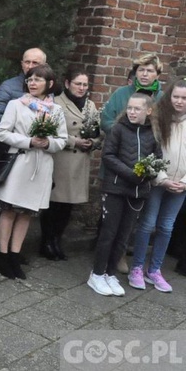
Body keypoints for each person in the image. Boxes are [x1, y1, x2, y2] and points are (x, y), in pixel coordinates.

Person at [0, 64, 67, 279]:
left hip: (42, 166)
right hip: (20, 163)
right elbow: (2, 132)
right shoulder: (16, 105)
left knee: (26, 212)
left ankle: (15, 255)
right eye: (30, 79)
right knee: (9, 210)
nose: (32, 83)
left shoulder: (56, 110)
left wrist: (47, 144)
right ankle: (2, 255)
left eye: (38, 79)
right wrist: (28, 141)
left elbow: (62, 140)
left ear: (50, 84)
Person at [87, 93, 160, 296]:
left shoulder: (153, 134)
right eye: (130, 108)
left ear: (149, 111)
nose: (132, 112)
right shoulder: (119, 129)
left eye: (137, 109)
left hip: (138, 192)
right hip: (116, 189)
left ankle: (110, 274)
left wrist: (149, 173)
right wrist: (131, 173)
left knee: (123, 236)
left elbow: (157, 159)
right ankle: (97, 273)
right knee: (109, 233)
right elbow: (108, 156)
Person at [0, 47, 46, 265]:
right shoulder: (9, 87)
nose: (30, 66)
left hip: (34, 156)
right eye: (27, 62)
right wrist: (22, 126)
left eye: (35, 63)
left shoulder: (48, 92)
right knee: (3, 204)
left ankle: (13, 250)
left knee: (24, 205)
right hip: (9, 153)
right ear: (21, 64)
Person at [128, 80, 186, 293]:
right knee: (147, 224)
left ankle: (154, 270)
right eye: (176, 96)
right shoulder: (160, 120)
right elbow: (151, 150)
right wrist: (161, 178)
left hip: (180, 186)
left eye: (184, 98)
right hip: (158, 181)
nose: (179, 101)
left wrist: (183, 182)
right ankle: (136, 267)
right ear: (170, 97)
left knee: (166, 226)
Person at [43, 68, 101, 260]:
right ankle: (47, 242)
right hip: (61, 159)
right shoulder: (56, 102)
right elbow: (50, 130)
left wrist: (93, 142)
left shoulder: (91, 106)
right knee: (54, 204)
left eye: (85, 84)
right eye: (78, 83)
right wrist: (74, 141)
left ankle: (57, 241)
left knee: (68, 206)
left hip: (79, 162)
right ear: (67, 83)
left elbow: (98, 131)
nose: (81, 88)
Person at [100, 53, 163, 134]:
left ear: (157, 75)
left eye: (149, 71)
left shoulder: (162, 98)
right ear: (136, 73)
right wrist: (122, 134)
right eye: (141, 70)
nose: (144, 74)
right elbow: (106, 122)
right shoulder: (120, 93)